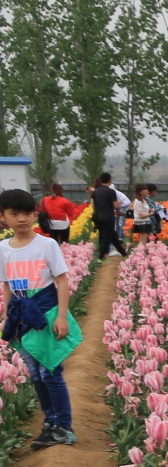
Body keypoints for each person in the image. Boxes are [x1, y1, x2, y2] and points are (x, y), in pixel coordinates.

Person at [0, 188, 76, 447]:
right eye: (14, 213)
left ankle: (64, 427)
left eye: (27, 213)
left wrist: (62, 316)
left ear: (35, 214)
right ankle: (51, 421)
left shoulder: (47, 244)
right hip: (22, 318)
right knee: (35, 372)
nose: (21, 218)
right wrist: (6, 316)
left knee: (50, 370)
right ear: (3, 217)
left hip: (46, 314)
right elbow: (7, 285)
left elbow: (62, 280)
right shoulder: (3, 249)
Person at [91, 172, 128, 258]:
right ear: (110, 180)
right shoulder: (111, 191)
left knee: (110, 235)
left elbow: (93, 205)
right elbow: (116, 205)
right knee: (106, 237)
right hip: (108, 217)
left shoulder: (96, 192)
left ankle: (123, 253)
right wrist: (118, 211)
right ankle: (101, 256)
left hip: (98, 217)